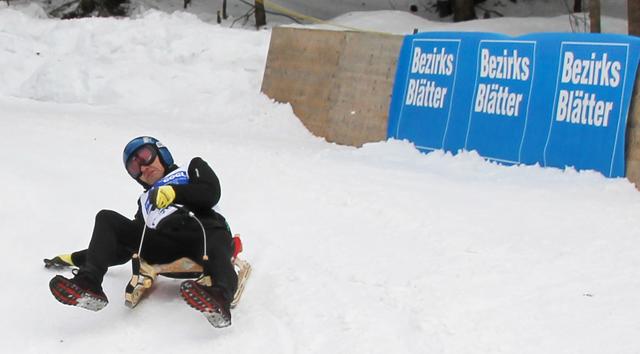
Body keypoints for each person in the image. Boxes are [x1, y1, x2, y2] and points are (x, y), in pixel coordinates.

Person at [47, 136, 238, 328]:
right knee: (106, 218)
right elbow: (124, 248)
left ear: (161, 153)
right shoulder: (145, 201)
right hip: (165, 246)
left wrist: (174, 193)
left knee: (216, 239)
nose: (143, 168)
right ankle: (89, 282)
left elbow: (211, 192)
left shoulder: (190, 167)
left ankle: (220, 296)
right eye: (134, 168)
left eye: (145, 157)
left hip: (203, 235)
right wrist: (74, 258)